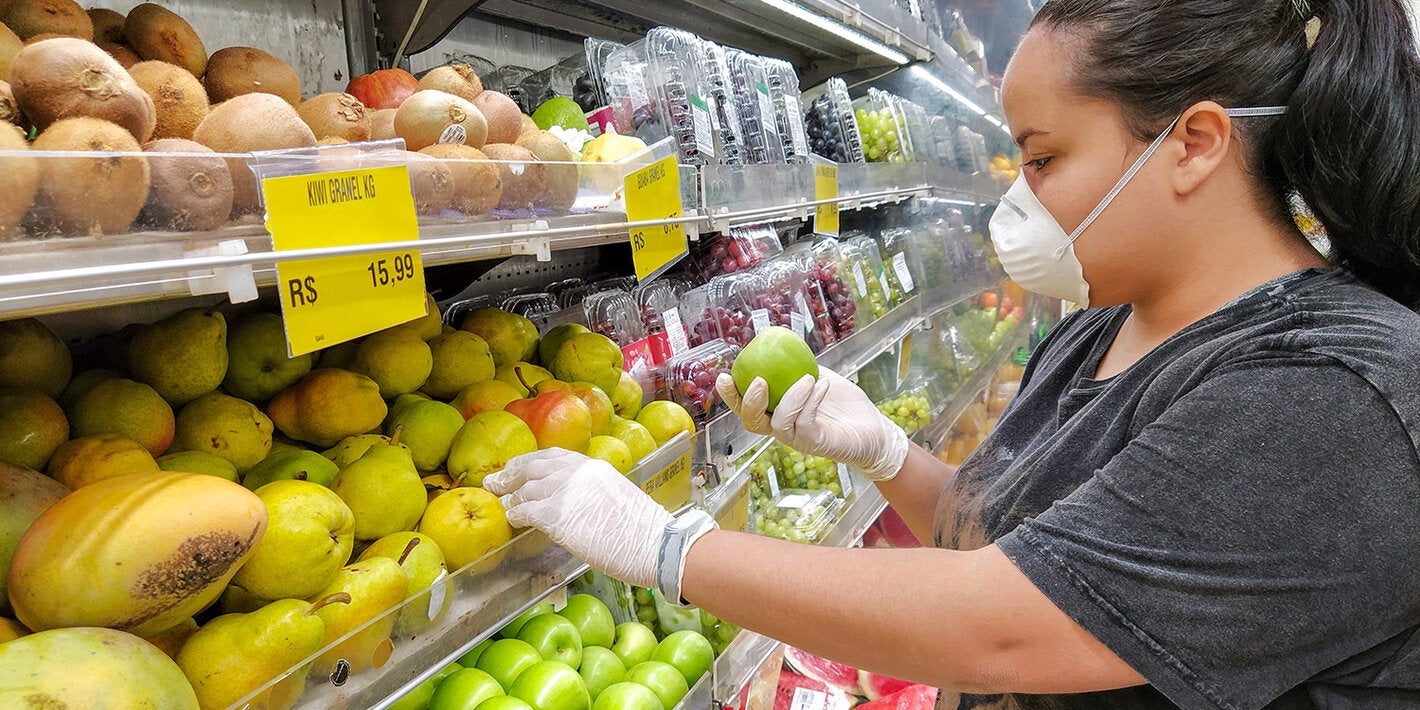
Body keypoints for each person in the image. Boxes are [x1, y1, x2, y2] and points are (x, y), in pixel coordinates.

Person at [485, 0, 1420, 706]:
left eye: (1044, 159)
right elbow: (1014, 547)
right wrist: (889, 456)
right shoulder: (1105, 324)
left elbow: (1003, 628)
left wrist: (666, 545)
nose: (1019, 196)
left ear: (1195, 144)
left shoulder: (1333, 393)